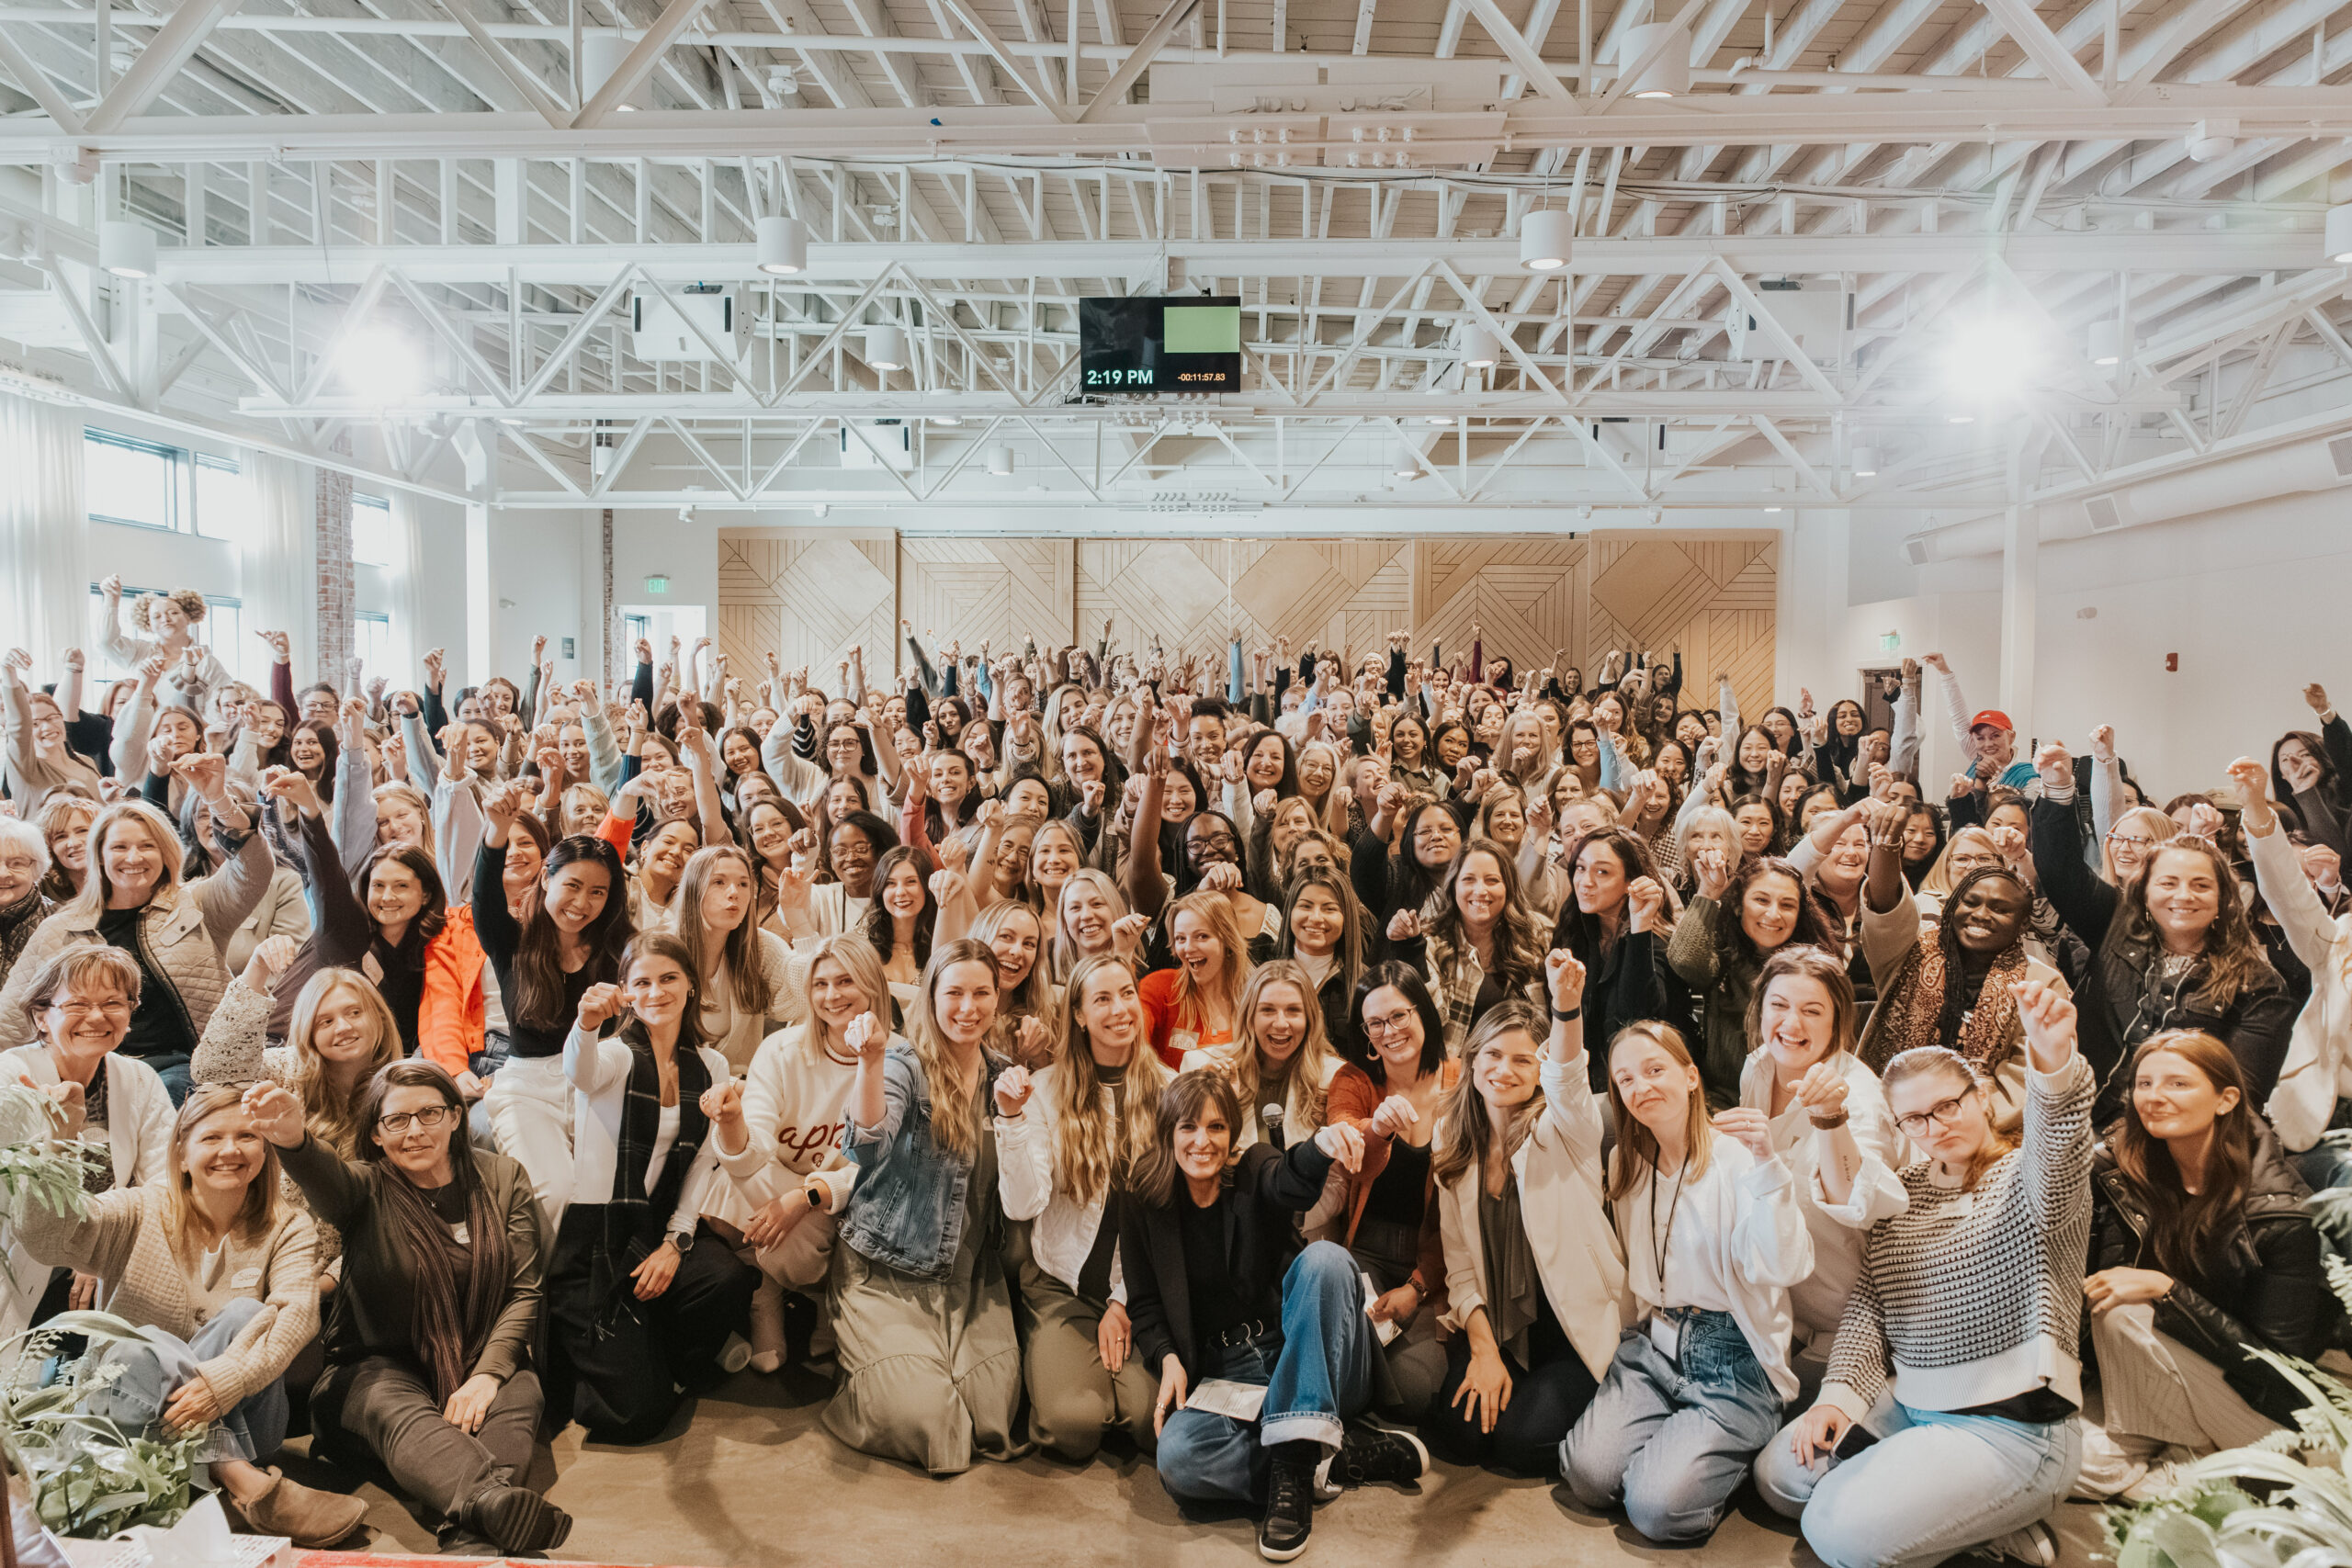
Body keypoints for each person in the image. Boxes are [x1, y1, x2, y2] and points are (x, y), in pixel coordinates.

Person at [1754, 980, 2094, 1568]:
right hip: (1913, 1404)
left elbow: (2058, 1147)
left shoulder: (2029, 1180)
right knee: (1779, 1478)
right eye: (1914, 1118)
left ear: (1982, 1096)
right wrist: (1836, 1400)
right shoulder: (1904, 1194)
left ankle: (1992, 1515)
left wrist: (2053, 1062)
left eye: (1947, 1105)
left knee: (1834, 1530)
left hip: (2012, 1427)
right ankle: (1973, 1521)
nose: (1934, 1126)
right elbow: (1870, 1309)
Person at [13, 1085, 362, 1545]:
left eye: (247, 1136)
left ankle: (201, 1479)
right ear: (180, 1153)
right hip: (124, 1417)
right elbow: (44, 1235)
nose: (231, 1151)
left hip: (249, 1419)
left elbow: (297, 1314)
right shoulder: (140, 1207)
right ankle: (239, 1482)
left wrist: (226, 1382)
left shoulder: (287, 1223)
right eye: (212, 1138)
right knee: (142, 1340)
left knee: (247, 1313)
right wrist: (56, 1142)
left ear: (265, 1149)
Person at [249, 1060, 568, 1558]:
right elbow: (324, 1175)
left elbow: (524, 1290)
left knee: (518, 1393)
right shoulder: (363, 1189)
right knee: (396, 1408)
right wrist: (294, 1139)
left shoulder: (503, 1177)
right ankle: (490, 1503)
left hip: (481, 1348)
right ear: (376, 1134)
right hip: (371, 1372)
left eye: (430, 1114)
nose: (415, 1131)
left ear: (457, 1117)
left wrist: (487, 1375)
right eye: (396, 1120)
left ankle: (473, 1535)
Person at [1122, 1068, 1426, 1560]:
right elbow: (1145, 1302)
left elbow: (1289, 1180)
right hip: (1227, 1373)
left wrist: (1321, 1145)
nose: (1203, 1141)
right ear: (1167, 1133)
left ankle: (1289, 1475)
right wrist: (1167, 1357)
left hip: (1304, 1346)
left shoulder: (1253, 1166)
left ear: (1232, 1134)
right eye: (1188, 1128)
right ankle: (1332, 1455)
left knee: (1325, 1260)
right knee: (1177, 1459)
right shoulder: (1142, 1197)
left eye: (1217, 1127)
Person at [1559, 1018, 1814, 1544]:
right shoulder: (1625, 1161)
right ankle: (1679, 1454)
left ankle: (1724, 1457)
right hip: (1654, 1347)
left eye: (1655, 1070)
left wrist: (1769, 1165)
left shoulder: (1737, 1158)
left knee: (1655, 1511)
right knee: (1586, 1476)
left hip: (1732, 1359)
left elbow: (1786, 1266)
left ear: (1691, 1076)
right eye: (1625, 1079)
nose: (1639, 1087)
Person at [2075, 1032, 2338, 1498]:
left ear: (2225, 1099)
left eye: (2178, 1084)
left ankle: (2204, 1458)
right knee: (2053, 1460)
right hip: (2148, 1374)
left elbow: (2280, 1368)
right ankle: (2165, 1452)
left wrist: (2167, 1290)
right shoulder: (2121, 1170)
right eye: (2144, 1083)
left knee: (2122, 1311)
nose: (2154, 1097)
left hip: (2252, 1400)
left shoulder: (2279, 1213)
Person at [550, 933, 757, 1443]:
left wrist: (675, 1242)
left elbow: (703, 1166)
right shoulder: (616, 1055)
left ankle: (661, 1351)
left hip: (661, 1222)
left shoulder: (710, 1066)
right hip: (601, 1237)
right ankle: (644, 1359)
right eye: (641, 981)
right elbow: (580, 1071)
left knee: (727, 1279)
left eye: (669, 978)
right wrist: (586, 1023)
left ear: (690, 985)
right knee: (635, 1416)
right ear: (624, 990)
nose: (656, 991)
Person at [826, 939, 1021, 1473]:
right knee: (935, 1426)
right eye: (954, 992)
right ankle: (857, 1375)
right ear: (931, 996)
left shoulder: (1004, 1073)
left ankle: (917, 1366)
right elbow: (864, 1144)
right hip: (885, 1269)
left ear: (997, 998)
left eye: (982, 992)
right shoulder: (902, 1062)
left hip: (969, 1275)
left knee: (991, 1421)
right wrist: (868, 1062)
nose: (968, 1007)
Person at [2030, 741, 2293, 1116]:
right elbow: (2060, 871)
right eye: (2168, 883)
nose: (2183, 896)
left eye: (2201, 885)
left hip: (2184, 1139)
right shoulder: (2115, 924)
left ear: (2224, 899)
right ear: (2144, 891)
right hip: (2082, 1121)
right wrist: (2057, 789)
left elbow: (2241, 1095)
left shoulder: (2258, 985)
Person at [1426, 988, 1628, 1477]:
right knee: (1462, 1434)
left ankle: (1614, 1413)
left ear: (1541, 1070)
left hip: (1568, 1329)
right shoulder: (1451, 1134)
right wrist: (1482, 1350)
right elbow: (1459, 1263)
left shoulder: (1565, 1128)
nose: (1504, 1070)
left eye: (1524, 1059)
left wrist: (1566, 1005)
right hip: (1497, 1323)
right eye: (1493, 1054)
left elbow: (1569, 1075)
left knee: (1519, 1444)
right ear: (1472, 1060)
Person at [0, 763, 275, 1103]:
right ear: (99, 856)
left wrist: (217, 798)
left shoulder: (196, 904)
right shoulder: (60, 928)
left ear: (166, 853)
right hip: (90, 1070)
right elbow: (10, 1020)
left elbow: (254, 870)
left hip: (182, 1067)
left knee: (160, 1095)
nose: (134, 857)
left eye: (147, 846)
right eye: (119, 847)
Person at [994, 953, 1170, 1461]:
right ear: (1077, 1014)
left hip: (1139, 1292)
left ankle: (1102, 1377)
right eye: (1102, 998)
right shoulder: (1046, 1090)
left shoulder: (1171, 1092)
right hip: (1060, 1285)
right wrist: (1011, 1119)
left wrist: (1123, 1301)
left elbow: (1173, 1220)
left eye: (1127, 994)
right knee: (1071, 1428)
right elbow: (1024, 1205)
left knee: (1146, 1422)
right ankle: (1058, 1358)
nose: (1120, 1009)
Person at [1730, 948, 1907, 1393]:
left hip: (1843, 1319)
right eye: (1779, 1006)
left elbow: (1858, 1202)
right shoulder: (1759, 1066)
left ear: (1837, 1021)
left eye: (1812, 1011)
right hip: (1775, 1298)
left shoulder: (1860, 1098)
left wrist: (1831, 1116)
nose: (1791, 1025)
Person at [473, 784, 633, 1227]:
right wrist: (497, 830)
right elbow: (484, 898)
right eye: (573, 886)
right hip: (528, 1088)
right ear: (546, 878)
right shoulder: (511, 942)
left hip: (600, 1081)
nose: (582, 904)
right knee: (556, 1194)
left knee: (605, 1196)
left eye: (598, 893)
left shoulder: (619, 949)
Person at [0, 947, 177, 1337]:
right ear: (41, 1016)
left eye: (113, 1003)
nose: (97, 1017)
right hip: (18, 1259)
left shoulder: (139, 1079)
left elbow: (166, 1184)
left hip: (108, 1256)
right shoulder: (11, 1079)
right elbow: (16, 1202)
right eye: (78, 1004)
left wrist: (98, 1249)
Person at [1667, 853, 1840, 1110]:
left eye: (1787, 905)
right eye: (1761, 900)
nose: (1773, 914)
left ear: (1799, 913)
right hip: (1725, 1100)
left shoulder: (1814, 969)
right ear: (1738, 905)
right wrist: (1708, 892)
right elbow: (1684, 960)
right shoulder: (1723, 958)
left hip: (1798, 1100)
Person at [1547, 830, 1674, 1089]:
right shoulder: (1573, 928)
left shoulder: (1656, 938)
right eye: (1580, 868)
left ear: (1631, 881)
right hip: (1580, 1079)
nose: (1585, 881)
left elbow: (1636, 1019)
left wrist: (1640, 925)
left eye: (1602, 872)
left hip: (1638, 1081)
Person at [1182, 960, 1343, 1152]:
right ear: (1249, 1016)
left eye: (1293, 1011)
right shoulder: (1202, 1067)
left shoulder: (1335, 1077)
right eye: (1268, 1010)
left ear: (1310, 1019)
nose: (1281, 1023)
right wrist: (1216, 1102)